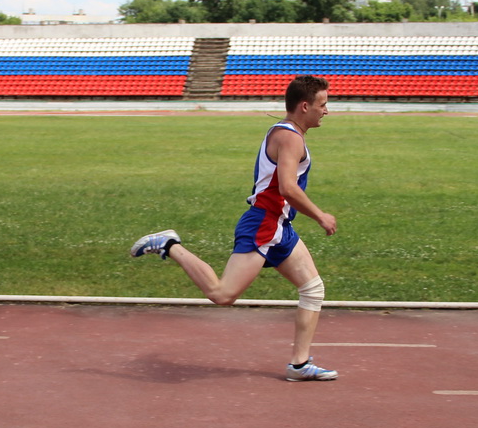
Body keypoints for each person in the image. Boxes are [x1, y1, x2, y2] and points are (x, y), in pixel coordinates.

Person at [130, 75, 336, 381]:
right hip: (265, 225)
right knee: (222, 294)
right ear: (305, 106)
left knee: (312, 288)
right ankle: (170, 244)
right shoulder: (290, 137)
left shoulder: (287, 132)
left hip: (279, 225)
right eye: (323, 104)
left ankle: (299, 364)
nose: (327, 111)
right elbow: (288, 188)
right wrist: (320, 215)